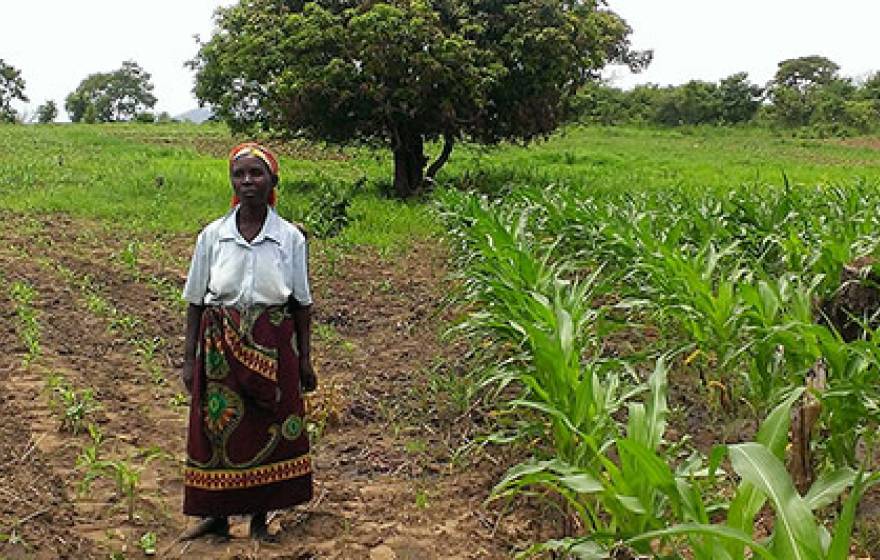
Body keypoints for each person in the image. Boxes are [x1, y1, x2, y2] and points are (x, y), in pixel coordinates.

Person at [180, 142, 317, 541]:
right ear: (231, 181)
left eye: (256, 174)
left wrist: (305, 360)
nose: (247, 182)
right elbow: (194, 300)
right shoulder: (212, 236)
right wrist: (189, 359)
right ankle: (216, 516)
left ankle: (260, 517)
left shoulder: (289, 238)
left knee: (267, 427)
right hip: (218, 344)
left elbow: (302, 304)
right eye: (239, 174)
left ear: (273, 181)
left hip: (273, 341)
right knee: (216, 429)